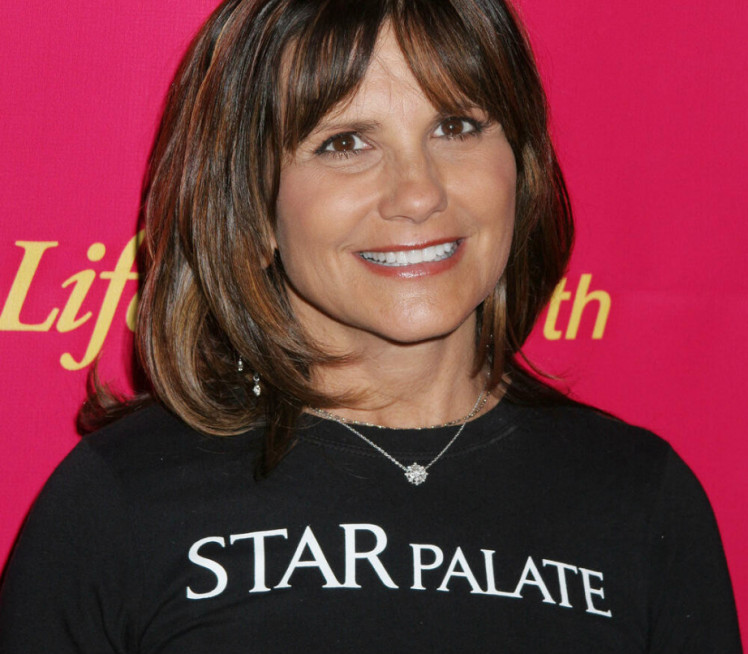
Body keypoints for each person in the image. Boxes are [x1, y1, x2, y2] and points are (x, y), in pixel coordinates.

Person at [0, 0, 741, 651]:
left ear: (521, 167)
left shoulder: (641, 499)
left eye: (455, 125)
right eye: (346, 143)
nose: (418, 194)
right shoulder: (117, 504)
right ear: (253, 206)